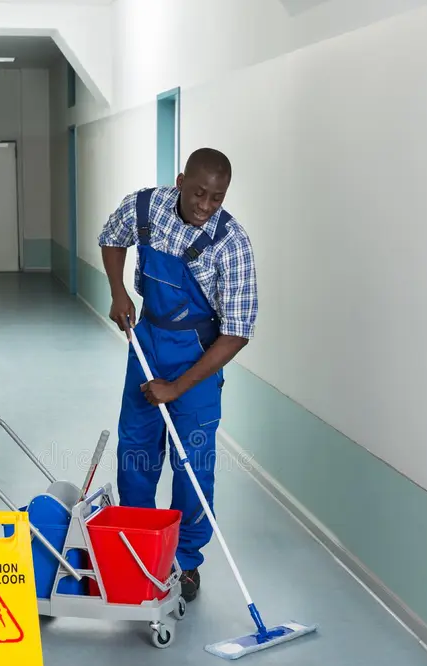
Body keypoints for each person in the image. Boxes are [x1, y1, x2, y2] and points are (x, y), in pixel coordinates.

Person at [98, 148, 257, 602]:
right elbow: (111, 236)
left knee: (193, 465)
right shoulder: (145, 207)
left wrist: (177, 388)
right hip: (148, 341)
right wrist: (119, 292)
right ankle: (137, 549)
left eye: (217, 198)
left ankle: (184, 561)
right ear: (181, 180)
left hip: (200, 356)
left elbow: (238, 333)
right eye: (199, 193)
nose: (206, 206)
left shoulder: (232, 244)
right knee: (137, 455)